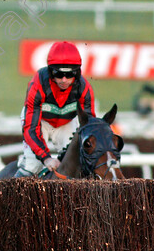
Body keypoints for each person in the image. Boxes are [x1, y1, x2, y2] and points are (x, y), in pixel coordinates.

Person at [15, 41, 96, 177]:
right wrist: (46, 158)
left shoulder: (84, 88)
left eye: (69, 75)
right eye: (58, 74)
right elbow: (31, 128)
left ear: (77, 73)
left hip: (66, 124)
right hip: (39, 123)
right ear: (50, 72)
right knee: (33, 165)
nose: (64, 80)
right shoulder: (38, 84)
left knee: (78, 163)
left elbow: (88, 127)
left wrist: (63, 157)